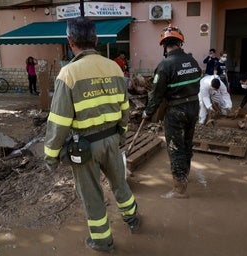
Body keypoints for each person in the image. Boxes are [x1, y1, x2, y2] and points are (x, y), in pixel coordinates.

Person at [43, 17, 139, 253]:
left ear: (70, 41)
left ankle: (103, 242)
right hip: (112, 139)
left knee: (92, 194)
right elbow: (125, 109)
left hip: (84, 147)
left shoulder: (68, 74)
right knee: (119, 183)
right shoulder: (114, 68)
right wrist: (122, 137)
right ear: (96, 40)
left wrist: (51, 156)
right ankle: (133, 219)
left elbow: (59, 121)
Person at [142, 24, 202, 199]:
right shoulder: (192, 61)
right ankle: (185, 176)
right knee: (186, 143)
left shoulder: (165, 65)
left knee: (175, 147)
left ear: (163, 45)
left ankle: (179, 189)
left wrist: (148, 112)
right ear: (180, 43)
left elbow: (156, 94)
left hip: (176, 110)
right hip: (193, 107)